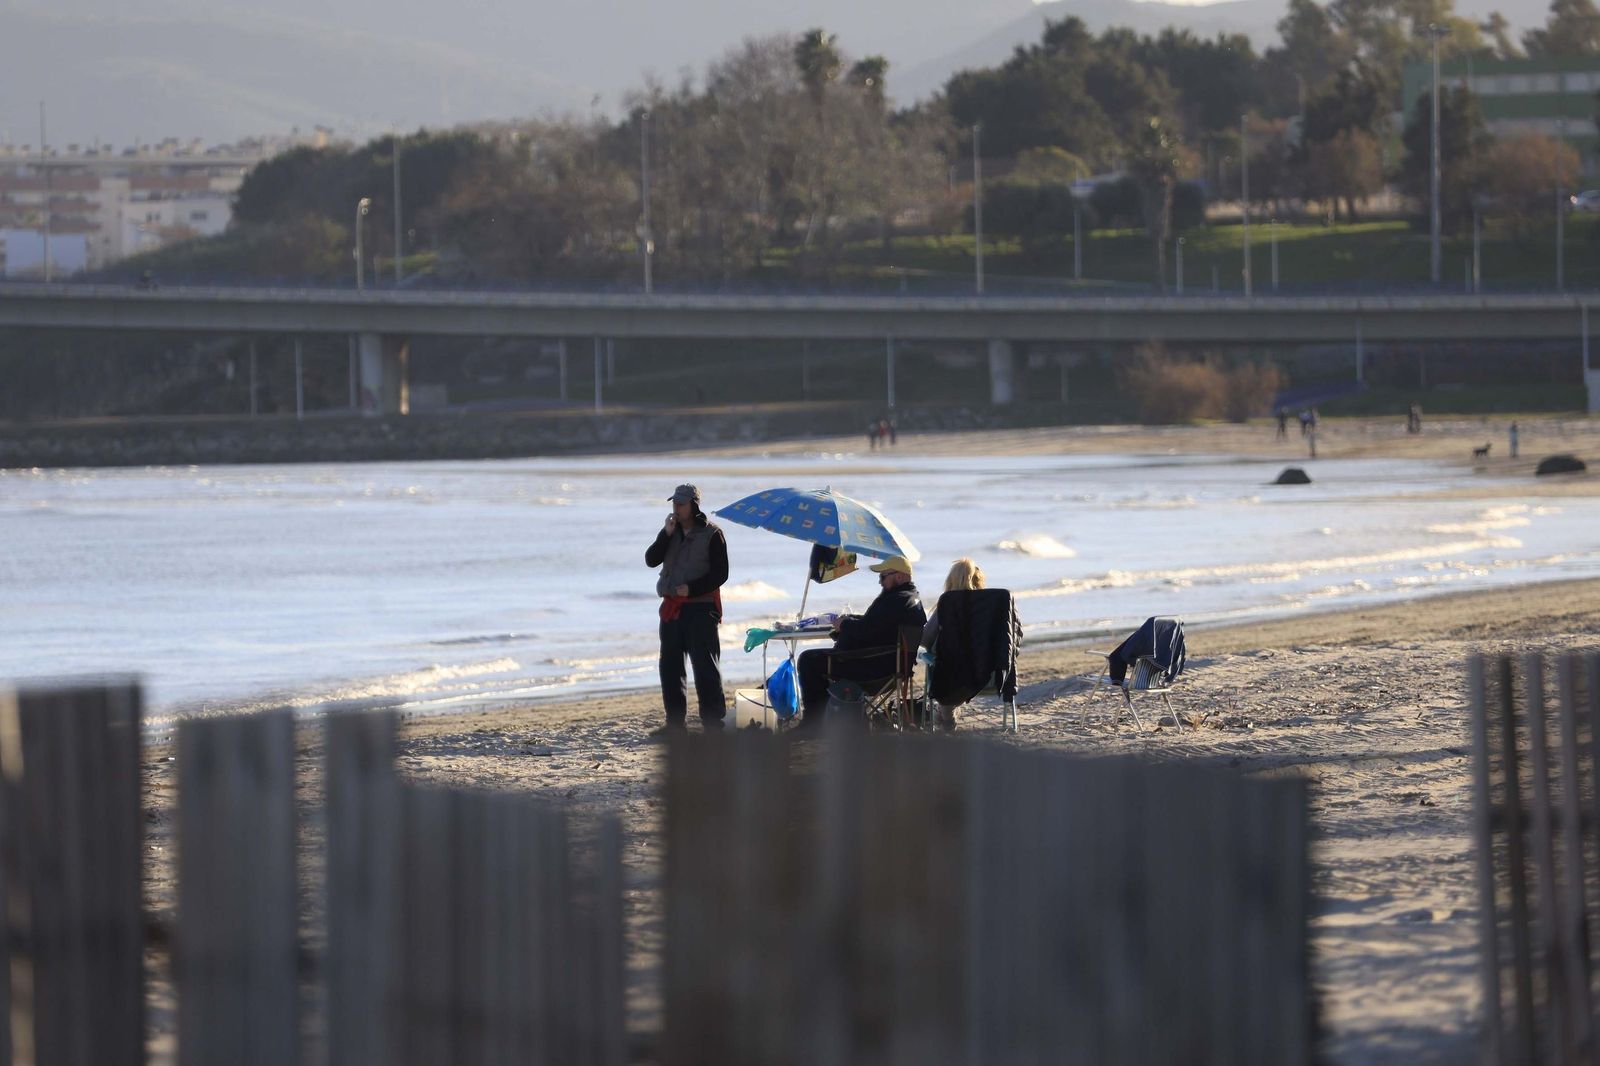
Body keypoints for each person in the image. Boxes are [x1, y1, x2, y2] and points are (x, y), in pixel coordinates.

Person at [796, 555, 925, 729]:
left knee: (808, 660)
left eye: (883, 576)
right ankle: (828, 719)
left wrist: (845, 625)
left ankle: (814, 723)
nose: (880, 582)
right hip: (890, 667)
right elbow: (875, 626)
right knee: (820, 658)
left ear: (900, 576)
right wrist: (850, 621)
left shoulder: (896, 599)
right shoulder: (909, 598)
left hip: (871, 668)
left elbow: (867, 631)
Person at [645, 484, 729, 734]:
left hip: (701, 609)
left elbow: (721, 574)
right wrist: (665, 534)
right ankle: (674, 725)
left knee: (705, 666)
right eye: (674, 504)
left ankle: (714, 723)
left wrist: (692, 589)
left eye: (681, 504)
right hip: (671, 608)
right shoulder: (671, 531)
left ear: (694, 504)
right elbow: (651, 560)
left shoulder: (713, 533)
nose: (677, 508)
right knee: (670, 667)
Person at [921, 558, 986, 731]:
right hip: (988, 674)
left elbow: (925, 639)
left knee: (938, 657)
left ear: (951, 580)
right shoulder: (990, 605)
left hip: (952, 676)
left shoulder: (947, 603)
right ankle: (945, 714)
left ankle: (946, 716)